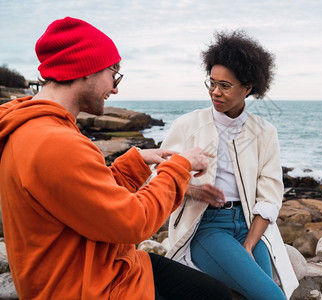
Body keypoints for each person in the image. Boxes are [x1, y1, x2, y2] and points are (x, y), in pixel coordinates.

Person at [0, 17, 232, 300]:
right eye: (114, 74)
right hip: (92, 287)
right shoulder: (54, 143)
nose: (116, 87)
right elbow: (133, 223)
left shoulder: (34, 127)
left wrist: (133, 162)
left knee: (213, 292)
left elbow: (86, 199)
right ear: (86, 68)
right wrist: (180, 167)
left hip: (99, 265)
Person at [160, 30, 299, 299]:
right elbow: (157, 178)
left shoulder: (264, 131)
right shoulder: (188, 126)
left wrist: (249, 243)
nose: (215, 92)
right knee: (272, 296)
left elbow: (270, 195)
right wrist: (195, 191)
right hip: (207, 226)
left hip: (250, 225)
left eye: (225, 85)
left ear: (247, 88)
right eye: (211, 83)